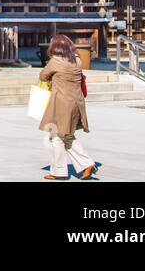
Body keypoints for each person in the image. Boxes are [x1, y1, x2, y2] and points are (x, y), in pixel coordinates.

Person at [39, 34, 97, 180]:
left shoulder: (56, 61)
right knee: (68, 136)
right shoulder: (77, 60)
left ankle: (59, 172)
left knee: (56, 137)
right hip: (76, 103)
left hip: (60, 104)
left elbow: (43, 76)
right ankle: (86, 164)